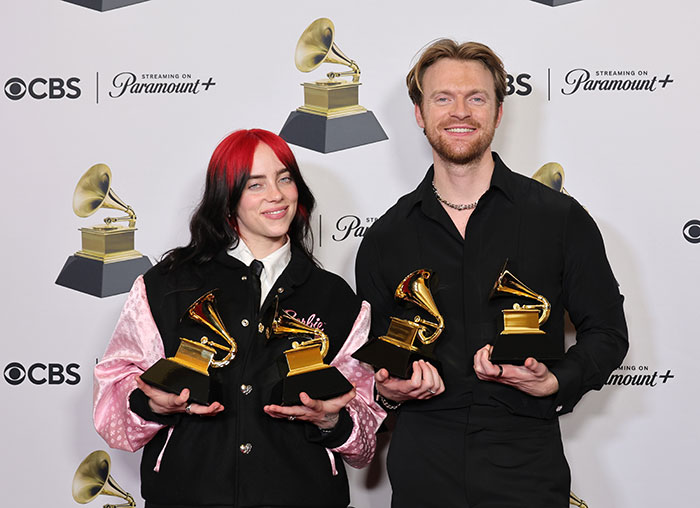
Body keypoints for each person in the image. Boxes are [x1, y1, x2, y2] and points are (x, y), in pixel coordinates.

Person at [355, 40, 628, 507]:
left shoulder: (560, 219)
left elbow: (607, 332)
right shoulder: (386, 236)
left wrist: (557, 380)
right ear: (419, 114)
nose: (460, 112)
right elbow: (380, 360)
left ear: (499, 112)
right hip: (422, 467)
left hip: (525, 466)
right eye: (443, 98)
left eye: (476, 98)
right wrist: (391, 387)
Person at [94, 128, 385, 508]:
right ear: (227, 199)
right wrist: (153, 405)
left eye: (285, 178)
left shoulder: (337, 298)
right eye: (255, 185)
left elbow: (365, 442)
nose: (276, 194)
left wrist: (331, 421)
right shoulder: (166, 285)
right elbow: (110, 408)